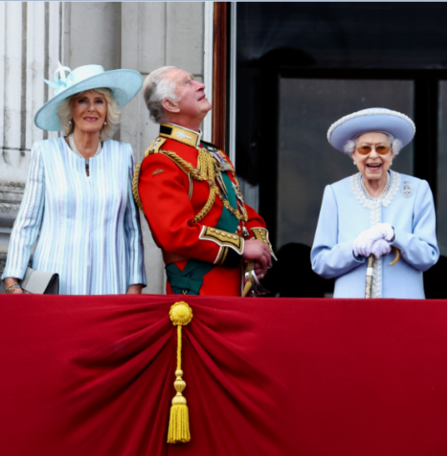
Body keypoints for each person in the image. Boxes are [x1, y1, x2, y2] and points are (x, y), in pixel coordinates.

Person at [3, 64, 146, 295]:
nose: (91, 108)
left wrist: (135, 284)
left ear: (108, 109)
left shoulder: (123, 155)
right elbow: (27, 222)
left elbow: (132, 227)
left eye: (99, 101)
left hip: (111, 284)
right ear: (70, 108)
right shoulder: (45, 153)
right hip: (56, 284)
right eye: (82, 100)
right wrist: (12, 282)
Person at [134, 66, 272, 296]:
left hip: (235, 290)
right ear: (170, 104)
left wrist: (258, 245)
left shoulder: (212, 153)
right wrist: (241, 248)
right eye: (187, 83)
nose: (201, 85)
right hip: (197, 294)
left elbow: (237, 210)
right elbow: (176, 233)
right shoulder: (159, 161)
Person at [311, 108, 439, 299]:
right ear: (353, 154)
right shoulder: (335, 193)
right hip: (351, 310)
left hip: (404, 310)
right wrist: (354, 248)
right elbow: (320, 263)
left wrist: (395, 235)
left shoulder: (417, 190)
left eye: (381, 148)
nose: (373, 155)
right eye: (364, 148)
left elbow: (428, 257)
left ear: (392, 153)